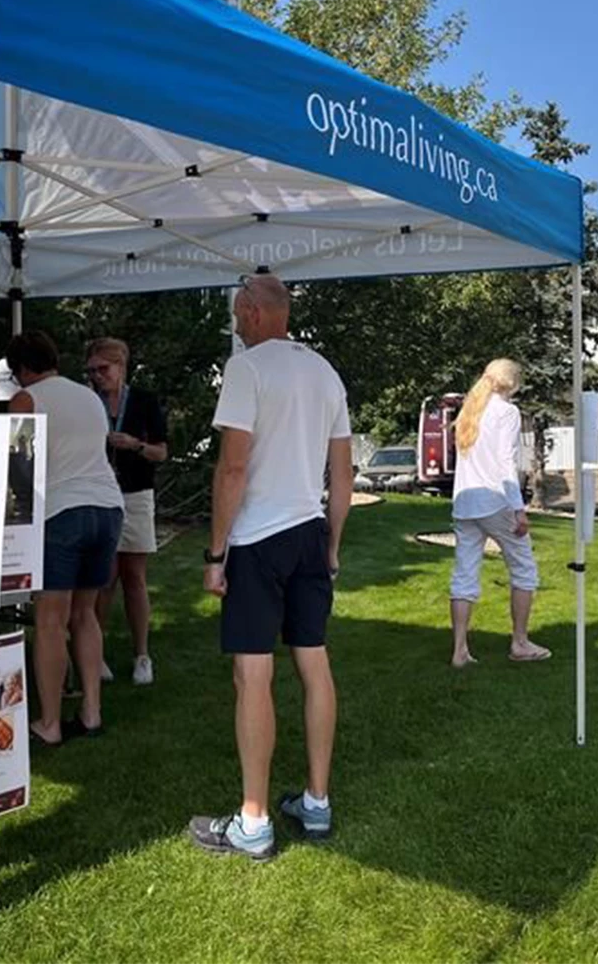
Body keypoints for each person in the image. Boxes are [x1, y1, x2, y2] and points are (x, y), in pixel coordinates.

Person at [189, 275, 353, 862]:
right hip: (309, 534)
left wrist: (215, 554)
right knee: (314, 663)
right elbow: (344, 476)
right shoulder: (325, 372)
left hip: (258, 539)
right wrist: (331, 545)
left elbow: (232, 469)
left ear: (257, 312)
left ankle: (253, 822)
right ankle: (316, 802)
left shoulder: (248, 369)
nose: (235, 321)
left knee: (252, 676)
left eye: (238, 312)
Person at [7, 331, 124, 745]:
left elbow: (16, 473)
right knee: (86, 614)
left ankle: (50, 723)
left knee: (51, 620)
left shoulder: (27, 400)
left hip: (62, 513)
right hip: (108, 509)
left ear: (21, 370)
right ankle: (91, 711)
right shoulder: (89, 396)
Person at [448, 358, 550, 667]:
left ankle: (459, 650)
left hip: (464, 503)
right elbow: (506, 463)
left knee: (464, 575)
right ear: (513, 383)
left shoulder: (470, 409)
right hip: (494, 501)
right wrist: (519, 509)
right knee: (524, 569)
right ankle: (520, 643)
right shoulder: (507, 412)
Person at [85, 337, 168, 686]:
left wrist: (135, 444)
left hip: (136, 493)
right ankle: (96, 652)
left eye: (103, 369)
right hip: (99, 495)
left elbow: (162, 453)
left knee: (134, 576)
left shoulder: (146, 401)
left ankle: (142, 655)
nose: (97, 377)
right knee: (103, 577)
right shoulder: (87, 402)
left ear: (121, 366)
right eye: (91, 371)